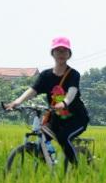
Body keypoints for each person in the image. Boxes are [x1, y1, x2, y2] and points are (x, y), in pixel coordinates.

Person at [5, 37, 90, 171]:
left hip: (76, 119)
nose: (61, 54)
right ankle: (49, 168)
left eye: (64, 51)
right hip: (56, 119)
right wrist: (17, 102)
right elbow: (33, 90)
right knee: (41, 136)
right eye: (58, 51)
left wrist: (64, 103)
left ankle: (77, 170)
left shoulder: (73, 74)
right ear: (52, 53)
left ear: (69, 54)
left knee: (63, 138)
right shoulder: (46, 75)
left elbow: (72, 92)